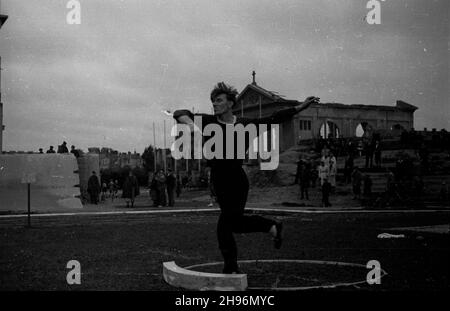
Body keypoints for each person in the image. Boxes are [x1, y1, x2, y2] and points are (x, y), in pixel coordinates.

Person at [173, 81, 319, 273]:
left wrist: (300, 107)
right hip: (219, 180)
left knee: (226, 224)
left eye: (218, 100)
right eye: (213, 101)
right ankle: (271, 227)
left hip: (237, 180)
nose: (214, 104)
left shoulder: (245, 125)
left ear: (231, 103)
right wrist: (191, 125)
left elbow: (274, 119)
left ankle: (232, 268)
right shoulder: (208, 122)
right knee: (235, 223)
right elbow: (178, 112)